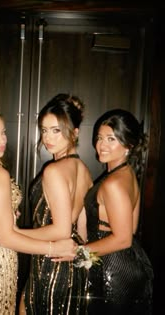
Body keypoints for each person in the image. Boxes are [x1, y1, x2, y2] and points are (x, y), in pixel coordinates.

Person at [0, 105, 76, 315]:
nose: (2, 140)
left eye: (3, 133)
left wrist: (0, 214)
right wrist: (55, 249)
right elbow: (5, 238)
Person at [55, 108, 154, 314]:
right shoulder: (128, 175)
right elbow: (131, 230)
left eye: (111, 139)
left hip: (112, 271)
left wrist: (77, 253)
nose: (102, 145)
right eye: (100, 137)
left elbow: (123, 238)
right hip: (126, 264)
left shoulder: (113, 184)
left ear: (129, 145)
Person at [16, 93, 93, 314]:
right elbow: (82, 233)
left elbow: (61, 229)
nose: (48, 137)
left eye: (56, 130)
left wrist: (15, 233)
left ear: (75, 132)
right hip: (71, 265)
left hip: (50, 262)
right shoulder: (86, 173)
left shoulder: (53, 170)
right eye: (44, 130)